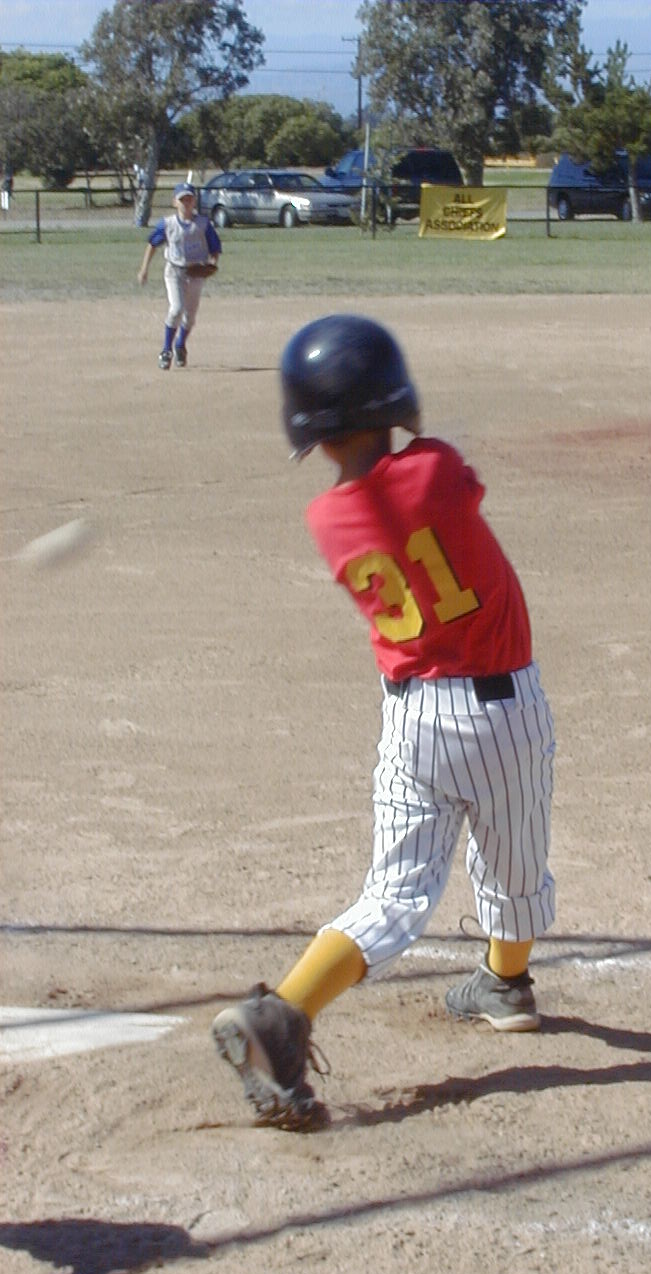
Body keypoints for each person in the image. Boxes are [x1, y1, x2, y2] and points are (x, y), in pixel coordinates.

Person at [212, 314, 557, 1131]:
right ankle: (506, 982)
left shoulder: (326, 520)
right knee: (513, 865)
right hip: (501, 712)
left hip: (412, 720)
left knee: (395, 894)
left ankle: (285, 1010)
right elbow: (449, 479)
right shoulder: (435, 468)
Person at [137, 182, 221, 370]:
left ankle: (180, 344)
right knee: (176, 309)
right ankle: (166, 350)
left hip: (196, 272)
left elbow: (215, 248)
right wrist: (144, 269)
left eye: (189, 199)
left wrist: (212, 264)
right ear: (175, 202)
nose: (186, 203)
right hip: (174, 271)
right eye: (182, 199)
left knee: (190, 317)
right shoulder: (167, 224)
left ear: (194, 201)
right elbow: (152, 244)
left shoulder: (203, 224)